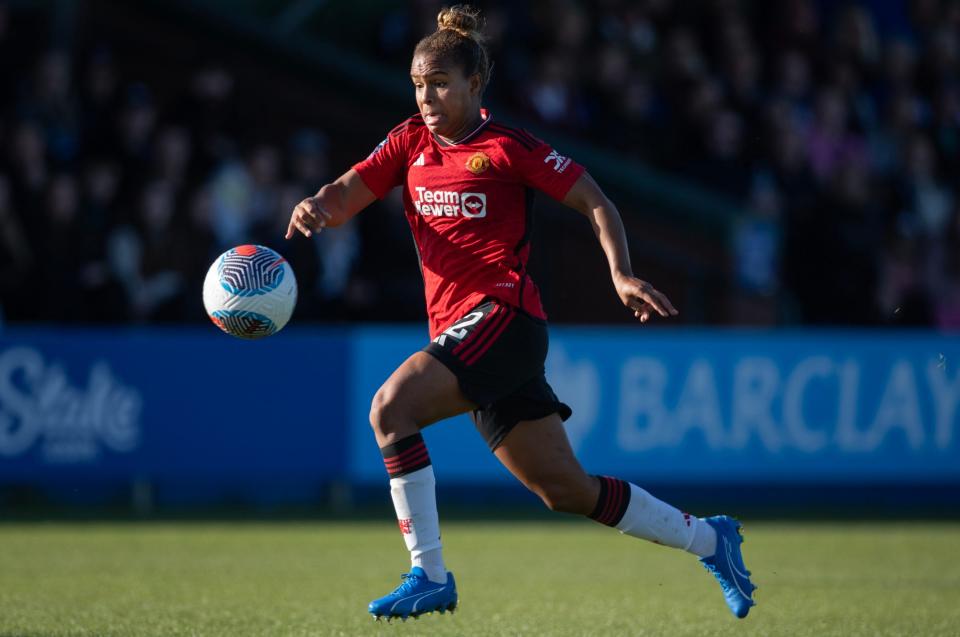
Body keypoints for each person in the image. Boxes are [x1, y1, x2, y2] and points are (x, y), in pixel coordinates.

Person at [286, 5, 756, 622]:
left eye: (441, 83)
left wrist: (619, 273)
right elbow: (348, 191)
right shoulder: (408, 142)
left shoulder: (507, 148)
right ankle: (712, 539)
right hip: (467, 336)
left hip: (504, 317)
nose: (427, 96)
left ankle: (428, 574)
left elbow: (596, 201)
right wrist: (318, 206)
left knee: (390, 408)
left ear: (476, 84)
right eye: (419, 84)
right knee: (565, 490)